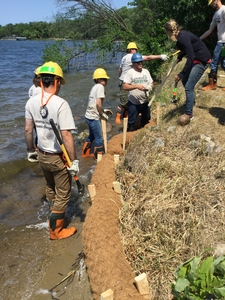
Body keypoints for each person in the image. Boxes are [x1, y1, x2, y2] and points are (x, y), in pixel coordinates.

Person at [25, 61, 79, 240]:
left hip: (41, 154)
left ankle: (51, 214)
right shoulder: (61, 104)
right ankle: (55, 231)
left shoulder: (31, 102)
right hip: (57, 157)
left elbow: (28, 130)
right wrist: (74, 161)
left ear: (41, 82)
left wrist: (30, 150)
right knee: (64, 192)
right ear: (56, 82)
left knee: (50, 187)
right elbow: (67, 136)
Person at [164, 19, 211, 125]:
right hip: (196, 58)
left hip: (202, 60)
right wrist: (180, 57)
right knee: (185, 82)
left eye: (166, 32)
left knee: (188, 86)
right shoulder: (182, 35)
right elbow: (188, 49)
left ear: (169, 31)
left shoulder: (182, 38)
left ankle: (189, 114)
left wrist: (182, 73)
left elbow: (191, 56)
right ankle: (191, 101)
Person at [116, 41, 169, 124]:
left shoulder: (124, 57)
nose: (136, 51)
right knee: (124, 102)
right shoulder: (131, 57)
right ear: (131, 50)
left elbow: (120, 69)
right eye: (135, 49)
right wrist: (161, 56)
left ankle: (126, 117)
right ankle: (118, 118)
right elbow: (148, 58)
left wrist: (120, 78)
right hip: (126, 81)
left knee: (127, 101)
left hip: (125, 79)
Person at [82, 68, 112, 158]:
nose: (106, 81)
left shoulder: (95, 87)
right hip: (93, 117)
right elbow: (98, 103)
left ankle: (85, 155)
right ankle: (98, 159)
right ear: (98, 79)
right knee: (99, 138)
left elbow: (95, 103)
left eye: (106, 79)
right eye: (104, 79)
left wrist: (102, 111)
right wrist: (102, 114)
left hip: (88, 116)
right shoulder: (100, 87)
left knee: (91, 136)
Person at [123, 52, 153, 131]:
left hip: (145, 101)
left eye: (141, 61)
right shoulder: (130, 73)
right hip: (134, 102)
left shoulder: (146, 71)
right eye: (138, 62)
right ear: (133, 63)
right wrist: (136, 86)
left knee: (146, 119)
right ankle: (130, 133)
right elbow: (125, 87)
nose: (140, 63)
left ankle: (141, 131)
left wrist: (150, 86)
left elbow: (151, 82)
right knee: (131, 123)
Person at [200, 0, 225, 91]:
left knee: (218, 62)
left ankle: (212, 84)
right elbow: (210, 30)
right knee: (220, 63)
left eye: (211, 2)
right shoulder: (216, 14)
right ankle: (212, 84)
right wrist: (199, 39)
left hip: (223, 43)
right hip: (220, 42)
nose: (211, 5)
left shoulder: (224, 10)